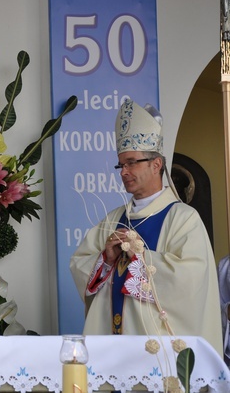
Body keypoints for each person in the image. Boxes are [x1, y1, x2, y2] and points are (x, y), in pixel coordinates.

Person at [70, 99, 222, 356]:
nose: (123, 172)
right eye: (121, 164)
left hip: (159, 354)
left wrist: (140, 257)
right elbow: (79, 265)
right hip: (112, 348)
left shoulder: (184, 218)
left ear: (156, 164)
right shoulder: (112, 220)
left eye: (131, 162)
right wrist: (106, 261)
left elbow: (191, 281)